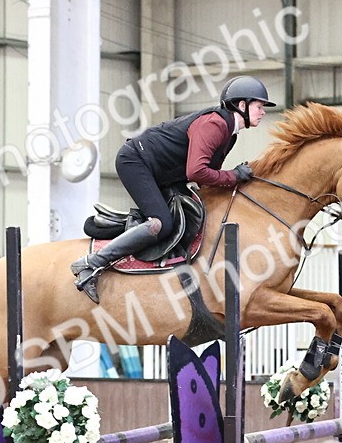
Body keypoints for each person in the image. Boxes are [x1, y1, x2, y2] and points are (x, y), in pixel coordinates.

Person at [70, 75, 276, 303]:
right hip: (136, 161)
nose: (263, 112)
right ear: (242, 105)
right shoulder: (215, 124)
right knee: (162, 223)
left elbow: (206, 180)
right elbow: (196, 172)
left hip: (164, 172)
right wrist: (234, 176)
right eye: (259, 106)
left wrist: (235, 180)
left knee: (193, 215)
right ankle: (91, 263)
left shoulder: (230, 135)